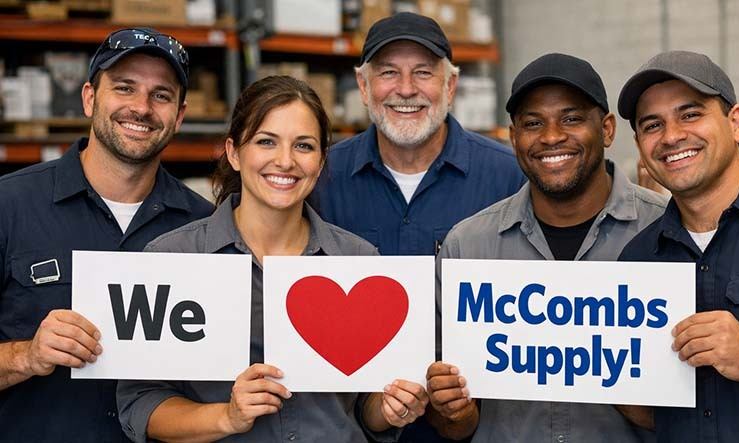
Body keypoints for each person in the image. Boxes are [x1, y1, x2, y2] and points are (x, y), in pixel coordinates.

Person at [116, 75, 428, 442]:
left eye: (304, 146)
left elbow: (363, 407)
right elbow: (141, 403)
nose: (285, 161)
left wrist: (389, 409)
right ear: (234, 153)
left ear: (321, 161)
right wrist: (226, 417)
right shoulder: (172, 259)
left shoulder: (359, 260)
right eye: (266, 141)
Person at [425, 53, 667, 442]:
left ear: (607, 129)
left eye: (571, 119)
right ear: (513, 137)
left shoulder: (668, 231)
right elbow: (453, 426)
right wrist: (455, 410)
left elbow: (709, 408)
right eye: (533, 123)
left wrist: (621, 385)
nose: (551, 136)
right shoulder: (467, 247)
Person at [0, 28, 212, 441]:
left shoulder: (204, 228)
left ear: (179, 116)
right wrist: (27, 355)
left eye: (161, 95)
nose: (141, 108)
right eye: (124, 87)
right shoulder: (10, 205)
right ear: (89, 98)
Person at [616, 50, 739, 442]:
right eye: (652, 125)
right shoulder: (639, 258)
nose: (671, 136)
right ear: (640, 145)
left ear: (736, 123)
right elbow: (646, 412)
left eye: (690, 114)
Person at [309, 12, 524, 257]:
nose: (406, 89)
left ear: (450, 85)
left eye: (423, 72)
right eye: (388, 72)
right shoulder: (322, 177)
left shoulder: (509, 178)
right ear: (364, 86)